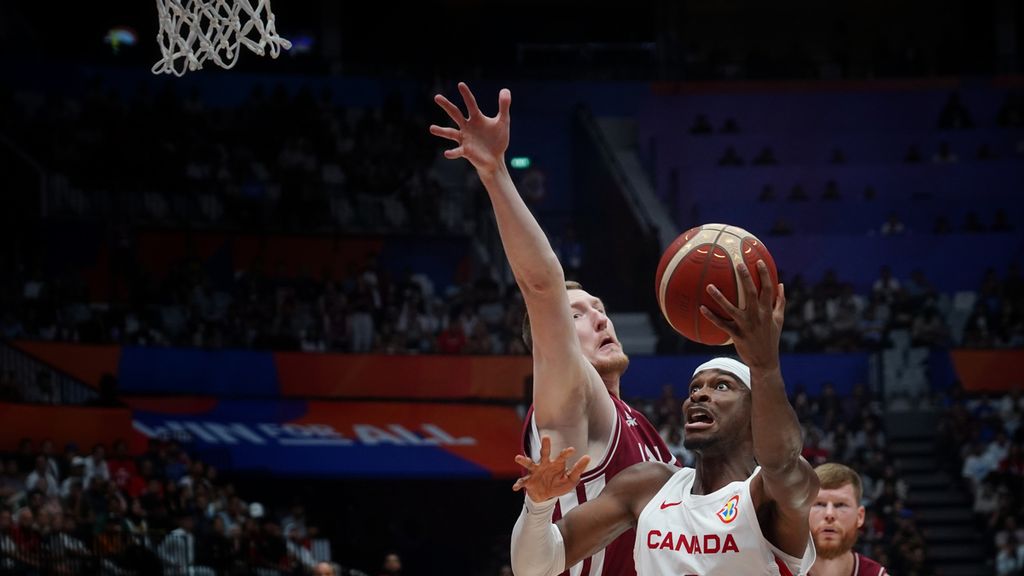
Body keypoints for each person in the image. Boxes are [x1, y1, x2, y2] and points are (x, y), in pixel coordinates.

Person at [431, 82, 677, 576]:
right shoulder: (571, 397)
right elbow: (542, 288)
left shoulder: (637, 423)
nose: (601, 317)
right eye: (578, 315)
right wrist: (494, 172)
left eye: (599, 307)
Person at [510, 259, 818, 575]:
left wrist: (765, 366)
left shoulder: (771, 494)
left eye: (721, 386)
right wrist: (538, 506)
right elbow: (536, 567)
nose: (699, 394)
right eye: (695, 387)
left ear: (756, 413)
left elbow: (781, 462)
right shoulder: (650, 485)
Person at [808, 463, 889, 576]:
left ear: (860, 516)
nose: (829, 514)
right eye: (820, 504)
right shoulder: (780, 571)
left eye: (840, 505)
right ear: (804, 512)